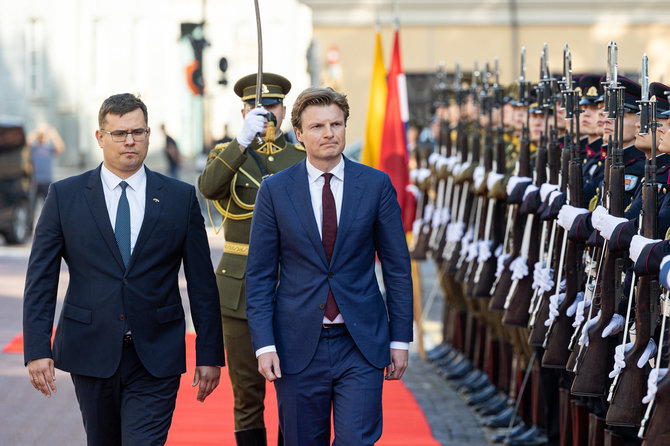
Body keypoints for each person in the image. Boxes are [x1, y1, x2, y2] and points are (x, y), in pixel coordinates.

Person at [23, 93, 225, 445]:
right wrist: (38, 348)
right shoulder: (65, 196)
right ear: (100, 138)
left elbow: (202, 282)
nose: (129, 141)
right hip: (91, 348)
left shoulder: (179, 197)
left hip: (157, 352)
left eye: (137, 132)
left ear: (149, 134)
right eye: (119, 133)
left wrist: (209, 353)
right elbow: (40, 279)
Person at [245, 87, 414, 445]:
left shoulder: (376, 185)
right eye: (318, 126)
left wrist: (400, 338)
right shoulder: (274, 191)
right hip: (296, 344)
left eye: (336, 124)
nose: (329, 133)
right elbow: (259, 275)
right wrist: (264, 345)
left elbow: (397, 268)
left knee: (357, 440)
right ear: (300, 133)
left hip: (361, 342)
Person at [198, 72, 305, 446]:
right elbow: (208, 187)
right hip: (239, 289)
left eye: (273, 106)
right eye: (258, 108)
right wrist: (241, 141)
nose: (267, 115)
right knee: (247, 396)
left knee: (294, 392)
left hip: (290, 284)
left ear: (285, 109)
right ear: (244, 111)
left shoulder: (301, 158)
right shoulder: (228, 156)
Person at [26, 122, 65, 202]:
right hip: (35, 181)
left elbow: (60, 147)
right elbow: (27, 141)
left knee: (49, 205)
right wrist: (37, 131)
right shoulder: (34, 148)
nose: (42, 137)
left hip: (47, 181)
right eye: (41, 136)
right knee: (31, 207)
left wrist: (52, 132)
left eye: (43, 136)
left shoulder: (49, 148)